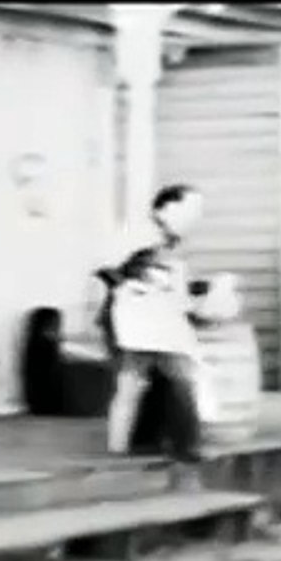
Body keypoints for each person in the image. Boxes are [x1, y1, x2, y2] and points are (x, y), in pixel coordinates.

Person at [102, 184, 206, 462]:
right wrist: (133, 283)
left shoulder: (169, 243)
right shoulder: (143, 235)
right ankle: (185, 445)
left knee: (136, 383)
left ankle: (131, 444)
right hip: (139, 321)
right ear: (167, 208)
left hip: (150, 323)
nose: (195, 216)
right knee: (170, 376)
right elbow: (109, 268)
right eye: (190, 208)